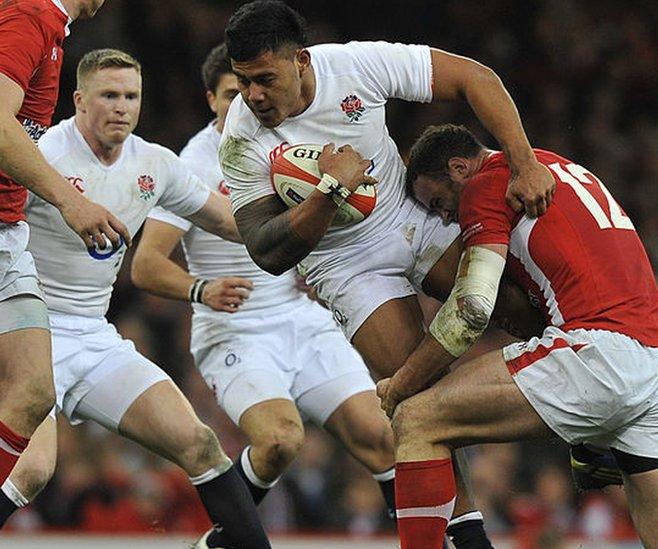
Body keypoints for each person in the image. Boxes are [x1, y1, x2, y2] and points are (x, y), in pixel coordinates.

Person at [219, 2, 553, 545]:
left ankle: (590, 431)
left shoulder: (356, 66)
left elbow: (474, 77)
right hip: (344, 265)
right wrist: (331, 191)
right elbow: (265, 249)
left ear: (301, 61)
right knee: (418, 397)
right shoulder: (240, 138)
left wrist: (523, 161)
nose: (253, 95)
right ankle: (470, 538)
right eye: (242, 82)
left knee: (522, 308)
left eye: (264, 79)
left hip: (412, 218)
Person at [376, 124, 658, 549]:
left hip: (600, 351)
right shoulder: (554, 165)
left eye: (439, 203)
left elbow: (472, 309)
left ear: (459, 168)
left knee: (417, 419)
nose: (446, 217)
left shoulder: (486, 185)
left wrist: (402, 383)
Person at [0, 48, 272, 549]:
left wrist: (314, 210)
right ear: (79, 101)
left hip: (94, 336)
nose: (121, 107)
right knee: (32, 469)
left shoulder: (155, 164)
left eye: (131, 96)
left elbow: (230, 221)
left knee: (199, 444)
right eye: (109, 95)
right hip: (29, 332)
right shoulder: (42, 154)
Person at [131, 43, 398, 548]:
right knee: (279, 441)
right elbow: (145, 265)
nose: (244, 106)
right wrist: (200, 288)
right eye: (231, 94)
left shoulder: (285, 141)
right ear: (211, 97)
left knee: (382, 437)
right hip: (235, 329)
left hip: (298, 317)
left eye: (251, 93)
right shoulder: (192, 164)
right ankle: (225, 541)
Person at [0, 0, 129, 489]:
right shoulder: (30, 15)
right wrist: (70, 202)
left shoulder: (49, 27)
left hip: (8, 233)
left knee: (33, 393)